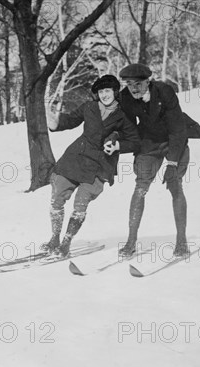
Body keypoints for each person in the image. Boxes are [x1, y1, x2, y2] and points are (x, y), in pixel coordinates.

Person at [43, 74, 140, 257]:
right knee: (57, 198)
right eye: (101, 91)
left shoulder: (124, 116)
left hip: (100, 164)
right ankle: (54, 238)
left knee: (81, 203)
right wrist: (55, 123)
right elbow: (70, 120)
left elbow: (135, 141)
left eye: (107, 91)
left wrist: (118, 145)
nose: (104, 95)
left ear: (115, 92)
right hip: (76, 158)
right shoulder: (89, 107)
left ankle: (66, 242)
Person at [117, 63, 190, 257]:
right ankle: (131, 242)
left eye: (138, 84)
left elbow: (178, 128)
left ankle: (181, 242)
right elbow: (128, 127)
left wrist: (172, 163)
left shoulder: (164, 91)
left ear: (148, 81)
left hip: (174, 140)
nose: (133, 88)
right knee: (140, 187)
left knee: (175, 184)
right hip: (149, 141)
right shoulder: (125, 96)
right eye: (129, 84)